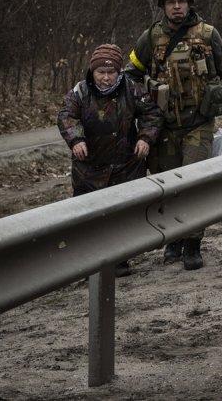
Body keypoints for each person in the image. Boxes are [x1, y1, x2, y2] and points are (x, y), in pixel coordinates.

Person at [126, 0, 222, 271]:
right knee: (168, 186)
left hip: (198, 124)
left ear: (189, 4)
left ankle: (192, 243)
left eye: (181, 2)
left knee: (193, 184)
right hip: (164, 126)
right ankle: (174, 240)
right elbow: (130, 74)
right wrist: (149, 89)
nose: (176, 7)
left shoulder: (208, 34)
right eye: (171, 2)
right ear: (164, 6)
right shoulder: (150, 38)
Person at [58, 44, 163, 277]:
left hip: (125, 164)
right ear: (92, 72)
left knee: (121, 215)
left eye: (111, 72)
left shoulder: (132, 89)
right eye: (101, 72)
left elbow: (152, 114)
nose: (106, 78)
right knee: (88, 216)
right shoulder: (80, 92)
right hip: (89, 167)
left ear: (119, 72)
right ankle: (89, 263)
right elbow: (66, 116)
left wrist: (145, 138)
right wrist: (76, 140)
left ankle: (119, 260)